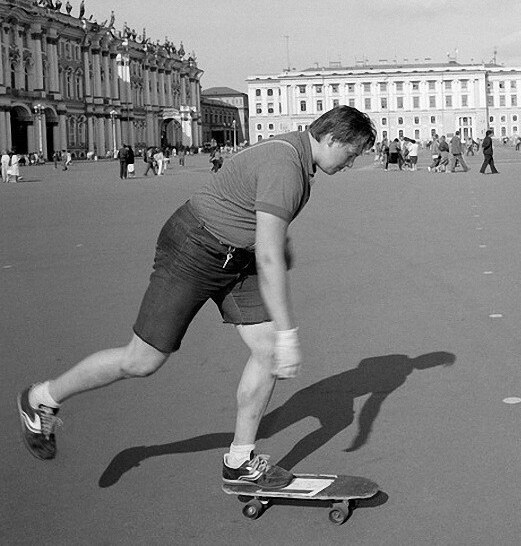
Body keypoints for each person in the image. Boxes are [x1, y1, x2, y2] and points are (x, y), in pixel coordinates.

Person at [17, 107, 376, 490]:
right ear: (332, 139)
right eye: (351, 154)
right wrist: (289, 331)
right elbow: (269, 254)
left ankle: (239, 460)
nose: (351, 163)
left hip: (236, 255)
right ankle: (42, 398)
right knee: (142, 360)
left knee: (266, 350)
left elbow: (257, 219)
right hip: (195, 246)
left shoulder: (298, 159)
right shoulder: (285, 164)